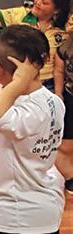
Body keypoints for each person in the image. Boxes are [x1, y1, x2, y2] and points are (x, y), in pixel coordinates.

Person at [0, 24, 64, 234]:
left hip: (18, 215)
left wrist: (18, 81)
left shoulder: (27, 112)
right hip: (41, 208)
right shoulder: (53, 101)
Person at [52, 31, 73, 194]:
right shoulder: (65, 47)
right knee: (65, 146)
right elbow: (58, 71)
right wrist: (58, 94)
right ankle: (70, 178)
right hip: (70, 97)